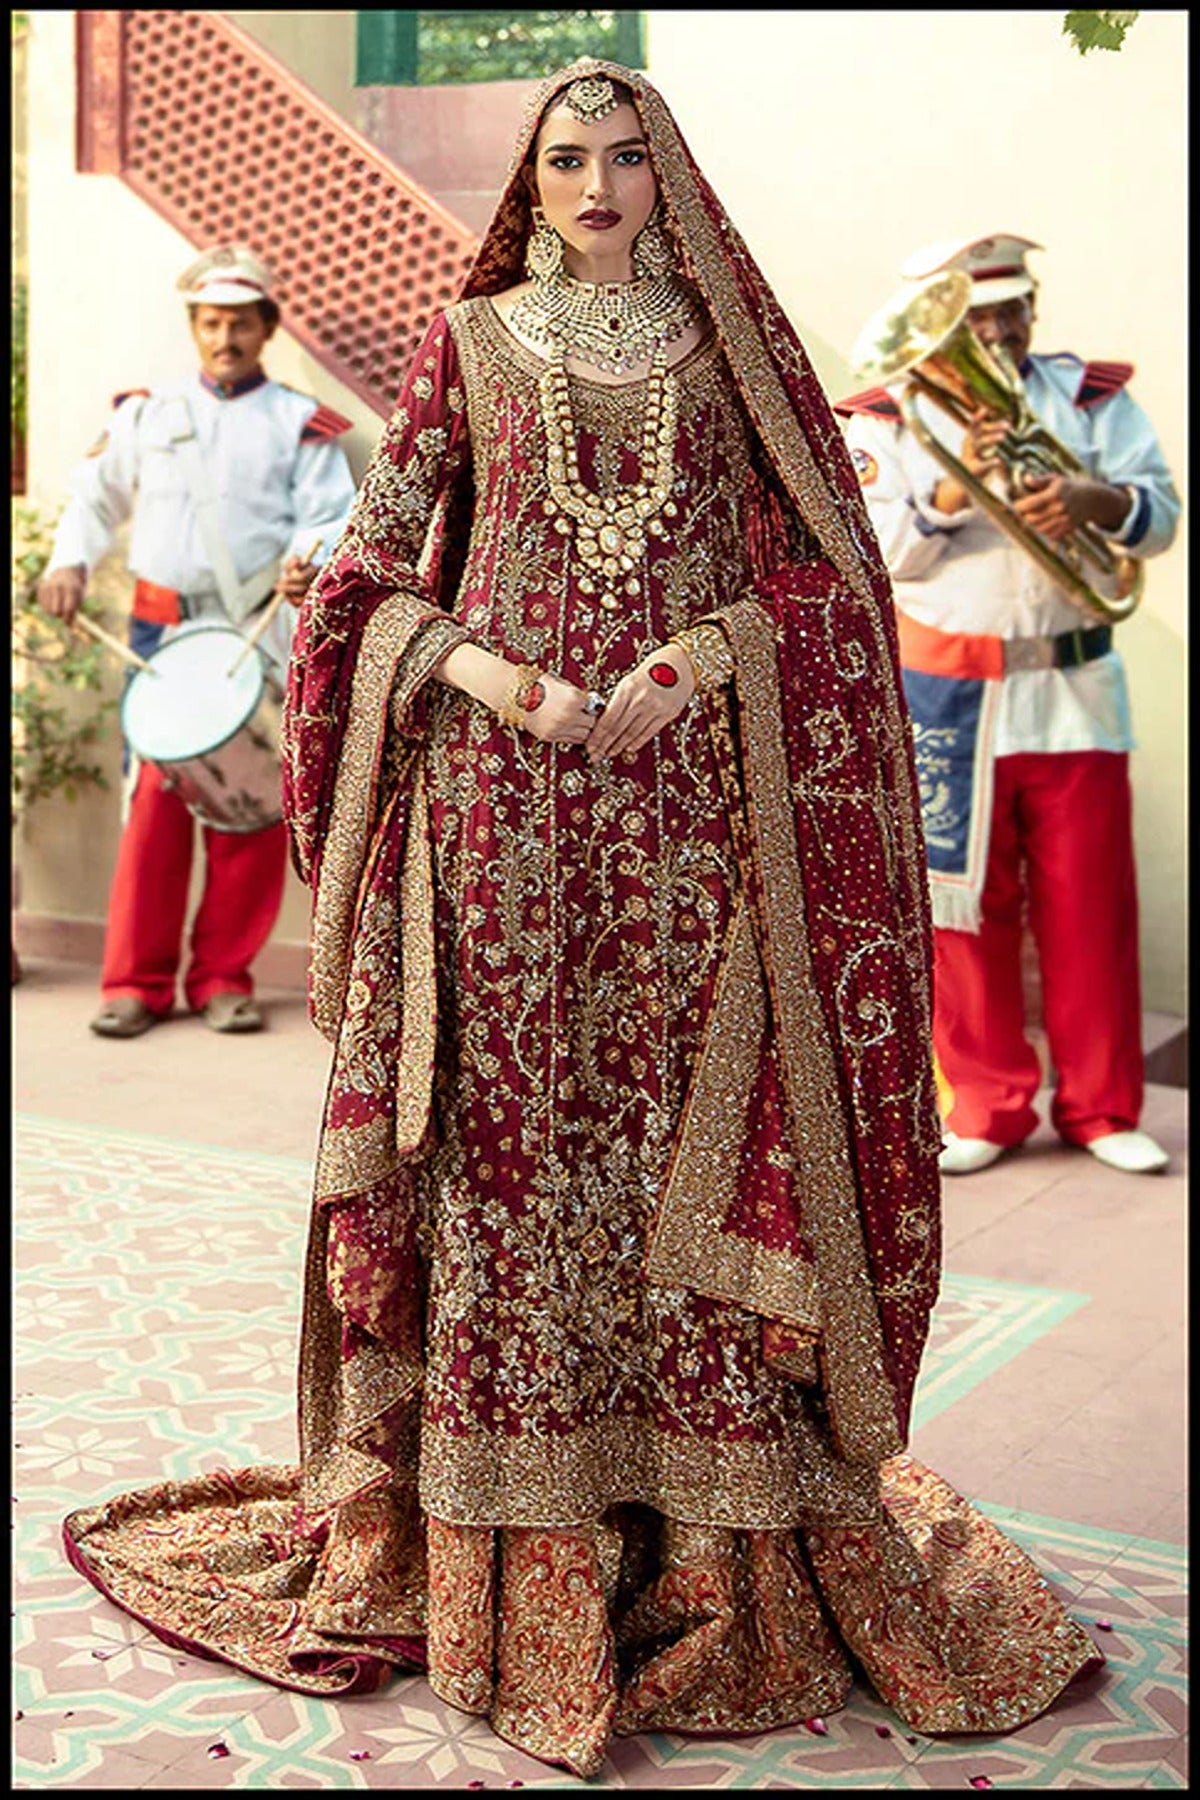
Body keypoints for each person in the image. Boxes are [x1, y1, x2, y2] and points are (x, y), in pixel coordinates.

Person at [62, 68, 1103, 1777]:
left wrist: (702, 658)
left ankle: (705, 1556)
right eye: (567, 159)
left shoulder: (733, 355)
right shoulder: (469, 346)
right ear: (531, 184)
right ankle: (509, 1557)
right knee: (513, 1164)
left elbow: (831, 585)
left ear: (665, 178)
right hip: (496, 826)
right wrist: (485, 674)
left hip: (695, 833)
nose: (598, 182)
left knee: (679, 1167)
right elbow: (363, 582)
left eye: (627, 157)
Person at [837, 233, 1181, 1177]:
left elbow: (1158, 516)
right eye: (974, 317)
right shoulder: (887, 418)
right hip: (948, 695)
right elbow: (878, 555)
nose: (995, 332)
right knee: (962, 914)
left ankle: (1102, 1110)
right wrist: (955, 492)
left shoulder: (1091, 400)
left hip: (1075, 691)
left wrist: (1095, 502)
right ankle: (986, 1107)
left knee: (1091, 906)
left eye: (1009, 310)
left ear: (1033, 305)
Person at [37, 244, 357, 1038]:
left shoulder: (299, 423)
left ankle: (223, 977)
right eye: (212, 323)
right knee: (155, 806)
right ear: (195, 328)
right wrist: (69, 561)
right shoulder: (147, 413)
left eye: (240, 323)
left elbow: (331, 517)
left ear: (266, 328)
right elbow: (94, 497)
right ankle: (134, 984)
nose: (225, 338)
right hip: (163, 634)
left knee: (247, 807)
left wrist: (307, 564)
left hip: (256, 628)